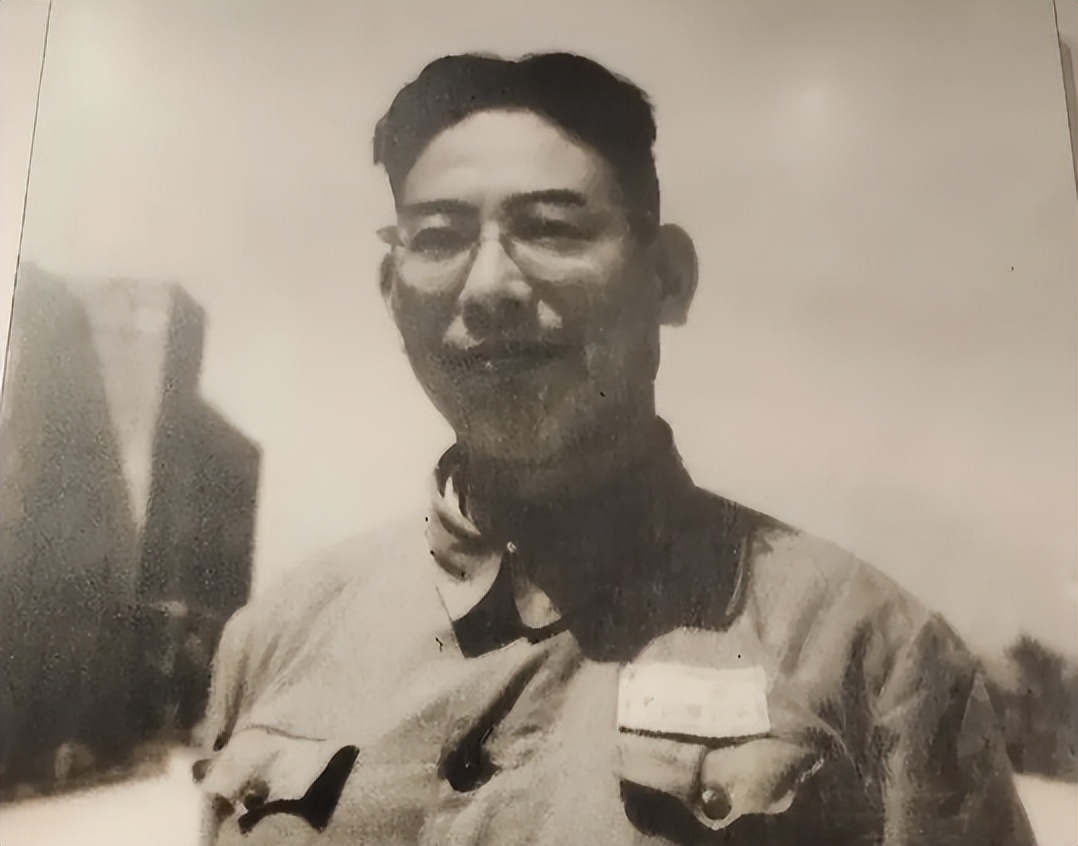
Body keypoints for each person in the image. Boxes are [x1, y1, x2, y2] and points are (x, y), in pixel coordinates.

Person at [193, 52, 1035, 845]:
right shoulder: (277, 639)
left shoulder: (871, 656)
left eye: (551, 229)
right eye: (439, 237)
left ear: (666, 278)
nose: (488, 288)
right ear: (391, 292)